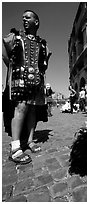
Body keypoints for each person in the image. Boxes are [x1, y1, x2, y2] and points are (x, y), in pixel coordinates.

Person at [2, 10, 51, 164]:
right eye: (22, 17)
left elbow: (44, 64)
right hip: (20, 78)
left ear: (36, 22)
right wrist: (14, 70)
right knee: (21, 108)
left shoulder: (42, 43)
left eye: (28, 17)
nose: (24, 19)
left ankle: (30, 141)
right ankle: (15, 147)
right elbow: (4, 55)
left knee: (32, 110)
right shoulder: (15, 37)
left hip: (37, 80)